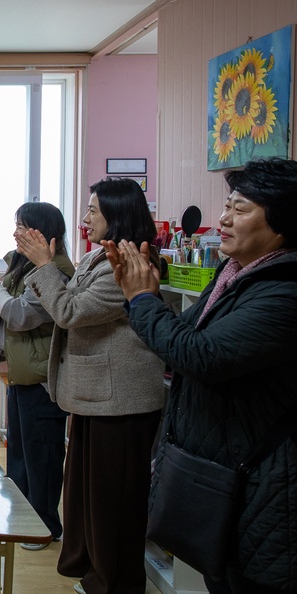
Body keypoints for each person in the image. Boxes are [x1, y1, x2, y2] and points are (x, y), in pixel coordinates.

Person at [103, 158, 297, 594]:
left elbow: (200, 355)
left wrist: (143, 300)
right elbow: (186, 338)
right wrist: (143, 296)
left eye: (240, 208)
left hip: (264, 490)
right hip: (224, 474)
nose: (223, 220)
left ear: (282, 220)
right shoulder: (236, 276)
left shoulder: (284, 290)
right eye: (226, 206)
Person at [17, 178, 166, 594]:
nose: (84, 219)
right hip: (94, 395)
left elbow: (68, 311)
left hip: (121, 400)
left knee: (113, 503)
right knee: (88, 498)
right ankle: (95, 574)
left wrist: (45, 265)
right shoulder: (100, 257)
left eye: (93, 210)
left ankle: (115, 582)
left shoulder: (133, 262)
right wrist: (45, 266)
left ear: (117, 215)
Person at [0, 202, 73, 551]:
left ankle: (46, 526)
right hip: (24, 372)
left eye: (22, 226)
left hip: (43, 377)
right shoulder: (22, 263)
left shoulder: (56, 270)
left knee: (43, 457)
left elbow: (19, 314)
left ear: (42, 232)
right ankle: (26, 520)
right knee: (21, 455)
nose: (15, 233)